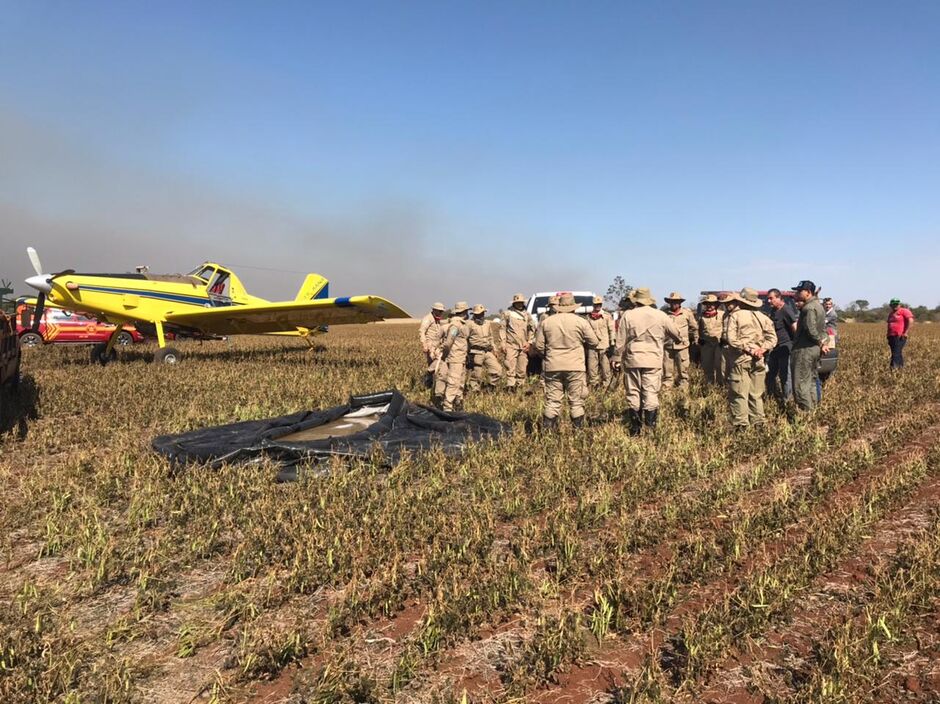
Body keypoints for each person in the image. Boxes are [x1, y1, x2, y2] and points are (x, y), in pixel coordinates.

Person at [613, 288, 680, 434]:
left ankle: (635, 429)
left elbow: (620, 340)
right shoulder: (661, 315)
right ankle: (650, 429)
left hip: (633, 359)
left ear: (636, 300)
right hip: (653, 360)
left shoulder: (627, 315)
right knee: (650, 392)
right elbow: (676, 334)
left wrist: (616, 358)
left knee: (633, 392)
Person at [532, 293, 599, 429]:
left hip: (552, 366)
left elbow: (538, 346)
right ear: (574, 307)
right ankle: (578, 434)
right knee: (576, 402)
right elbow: (594, 341)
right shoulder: (581, 322)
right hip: (575, 367)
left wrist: (550, 355)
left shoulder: (546, 322)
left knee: (552, 401)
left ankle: (548, 435)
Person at [723, 288, 777, 428]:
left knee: (739, 393)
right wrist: (761, 349)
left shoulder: (735, 316)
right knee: (756, 394)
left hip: (741, 359)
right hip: (759, 359)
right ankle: (758, 422)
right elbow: (773, 339)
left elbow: (731, 339)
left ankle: (741, 425)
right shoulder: (764, 317)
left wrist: (748, 349)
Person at [790, 280, 829, 411]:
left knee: (800, 383)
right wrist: (823, 342)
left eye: (799, 291)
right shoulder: (818, 306)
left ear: (808, 292)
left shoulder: (808, 308)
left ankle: (806, 413)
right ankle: (813, 410)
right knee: (811, 381)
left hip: (804, 350)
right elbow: (823, 330)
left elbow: (811, 329)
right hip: (814, 350)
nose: (797, 293)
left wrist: (819, 341)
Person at [436, 302, 470, 412]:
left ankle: (457, 403)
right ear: (464, 312)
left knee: (459, 382)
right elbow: (448, 343)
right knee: (453, 383)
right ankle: (447, 408)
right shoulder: (455, 325)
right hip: (455, 358)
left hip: (460, 358)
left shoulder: (461, 324)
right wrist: (445, 356)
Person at [765, 288, 798, 401]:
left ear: (779, 298)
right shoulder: (774, 311)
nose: (768, 301)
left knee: (785, 376)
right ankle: (770, 397)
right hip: (774, 348)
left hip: (785, 348)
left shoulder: (786, 310)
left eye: (771, 298)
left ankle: (787, 400)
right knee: (770, 374)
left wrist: (796, 346)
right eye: (768, 298)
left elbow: (795, 328)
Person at [662, 292, 698, 390]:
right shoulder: (664, 313)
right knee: (667, 372)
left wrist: (695, 339)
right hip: (667, 346)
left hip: (682, 347)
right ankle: (667, 392)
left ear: (680, 302)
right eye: (671, 302)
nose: (674, 304)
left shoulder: (687, 313)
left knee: (683, 372)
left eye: (676, 302)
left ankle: (683, 393)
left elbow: (694, 327)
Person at [466, 305, 504, 392]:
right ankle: (474, 391)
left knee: (497, 370)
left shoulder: (487, 323)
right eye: (479, 314)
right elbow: (464, 339)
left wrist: (495, 349)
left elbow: (490, 337)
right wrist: (467, 353)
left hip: (487, 351)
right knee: (476, 374)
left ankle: (490, 387)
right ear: (474, 314)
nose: (481, 315)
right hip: (475, 352)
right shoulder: (469, 324)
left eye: (482, 313)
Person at [502, 293, 534, 391]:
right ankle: (510, 386)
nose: (519, 304)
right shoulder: (507, 313)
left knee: (522, 366)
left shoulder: (527, 315)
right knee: (510, 366)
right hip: (511, 344)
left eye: (521, 302)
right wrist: (503, 343)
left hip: (523, 345)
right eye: (517, 303)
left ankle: (520, 385)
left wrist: (529, 342)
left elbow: (532, 328)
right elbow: (502, 329)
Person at [585, 295, 616, 392]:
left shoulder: (607, 316)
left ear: (601, 304)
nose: (597, 306)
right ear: (593, 305)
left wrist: (612, 344)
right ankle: (594, 387)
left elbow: (612, 330)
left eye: (599, 304)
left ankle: (606, 388)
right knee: (592, 369)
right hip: (592, 347)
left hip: (604, 346)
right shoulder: (588, 317)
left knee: (605, 369)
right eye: (596, 304)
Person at [697, 294, 725, 385]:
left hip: (719, 344)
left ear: (716, 304)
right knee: (707, 367)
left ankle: (721, 387)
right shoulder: (701, 316)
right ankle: (710, 388)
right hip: (706, 345)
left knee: (720, 367)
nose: (709, 306)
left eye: (712, 304)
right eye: (707, 304)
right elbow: (697, 329)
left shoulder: (722, 314)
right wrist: (699, 339)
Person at [419, 302, 447, 388]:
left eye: (441, 311)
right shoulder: (428, 319)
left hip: (436, 345)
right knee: (437, 362)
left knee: (436, 364)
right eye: (439, 311)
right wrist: (424, 345)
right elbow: (422, 331)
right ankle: (428, 379)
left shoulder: (437, 320)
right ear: (434, 310)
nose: (440, 313)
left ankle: (429, 383)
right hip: (430, 345)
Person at [886, 298, 914, 368]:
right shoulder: (891, 313)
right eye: (893, 304)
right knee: (897, 353)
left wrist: (905, 332)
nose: (895, 305)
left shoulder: (904, 311)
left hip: (900, 336)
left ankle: (893, 368)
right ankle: (900, 368)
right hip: (891, 336)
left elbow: (910, 321)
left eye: (896, 304)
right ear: (890, 305)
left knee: (896, 353)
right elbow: (889, 324)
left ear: (899, 304)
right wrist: (888, 335)